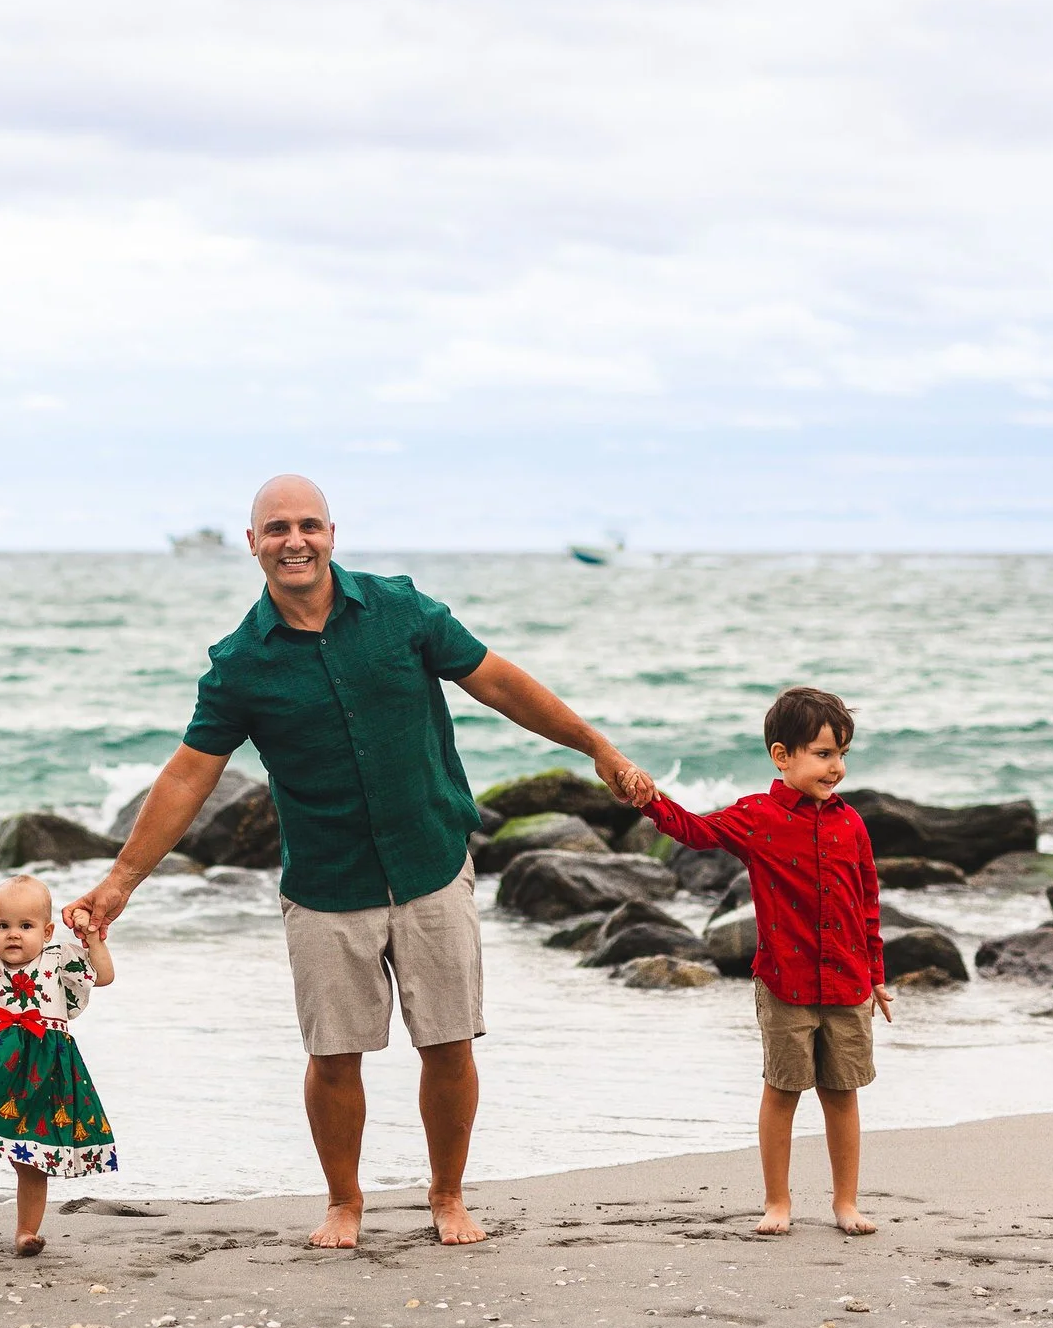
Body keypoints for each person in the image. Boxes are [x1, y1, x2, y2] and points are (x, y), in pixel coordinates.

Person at [65, 474, 650, 1249]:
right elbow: (188, 775)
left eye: (308, 525)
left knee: (449, 1043)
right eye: (278, 528)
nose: (295, 540)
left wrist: (595, 746)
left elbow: (499, 682)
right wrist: (121, 880)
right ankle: (344, 1201)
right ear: (254, 543)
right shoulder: (240, 663)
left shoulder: (400, 610)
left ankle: (447, 1195)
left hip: (429, 860)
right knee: (333, 1056)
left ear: (332, 534)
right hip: (325, 883)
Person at [635, 685, 893, 1237]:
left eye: (842, 754)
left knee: (842, 1094)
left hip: (848, 982)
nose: (837, 767)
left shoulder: (852, 823)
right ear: (782, 755)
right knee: (783, 1090)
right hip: (785, 983)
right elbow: (696, 831)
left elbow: (867, 902)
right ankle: (778, 1202)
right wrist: (651, 800)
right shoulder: (758, 816)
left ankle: (846, 1203)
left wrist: (876, 974)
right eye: (824, 754)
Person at [0, 874, 117, 1255]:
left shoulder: (60, 960)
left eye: (26, 926)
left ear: (47, 932)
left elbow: (104, 976)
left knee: (33, 1160)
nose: (13, 934)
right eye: (3, 925)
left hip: (43, 1069)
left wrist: (93, 939)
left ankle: (26, 1232)